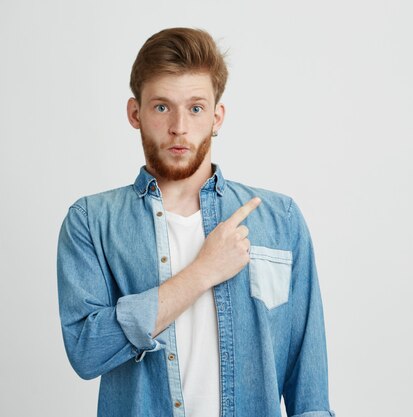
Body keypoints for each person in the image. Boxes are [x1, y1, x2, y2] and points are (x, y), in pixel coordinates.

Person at [56, 27, 335, 417]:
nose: (179, 127)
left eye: (196, 108)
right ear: (135, 113)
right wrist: (202, 272)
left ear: (217, 116)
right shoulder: (91, 222)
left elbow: (310, 390)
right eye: (161, 107)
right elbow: (86, 351)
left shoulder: (279, 219)